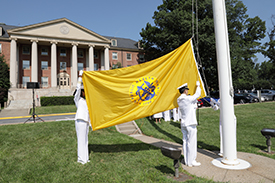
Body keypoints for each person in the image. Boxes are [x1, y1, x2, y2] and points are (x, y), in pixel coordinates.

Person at [177, 81, 201, 167]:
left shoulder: (179, 99)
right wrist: (198, 86)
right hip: (190, 123)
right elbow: (197, 94)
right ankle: (191, 161)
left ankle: (187, 160)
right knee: (192, 142)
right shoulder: (187, 99)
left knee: (185, 142)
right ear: (185, 91)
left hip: (183, 123)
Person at [74, 70, 90, 164]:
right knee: (81, 139)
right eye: (83, 91)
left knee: (85, 140)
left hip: (86, 121)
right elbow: (78, 88)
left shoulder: (87, 101)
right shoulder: (78, 100)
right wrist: (80, 76)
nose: (84, 93)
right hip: (80, 120)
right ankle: (81, 159)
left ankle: (86, 158)